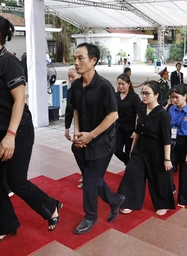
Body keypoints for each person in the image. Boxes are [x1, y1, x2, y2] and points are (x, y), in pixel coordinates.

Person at [0, 14, 61, 246]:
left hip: (17, 130)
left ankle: (51, 206)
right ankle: (6, 225)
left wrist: (10, 136)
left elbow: (19, 100)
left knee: (16, 182)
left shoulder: (9, 62)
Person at [69, 42, 125, 234]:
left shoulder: (104, 87)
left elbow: (113, 116)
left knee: (90, 179)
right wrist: (77, 132)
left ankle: (91, 216)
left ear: (93, 61)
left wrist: (91, 135)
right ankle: (115, 200)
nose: (76, 62)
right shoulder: (76, 85)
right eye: (74, 58)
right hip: (82, 141)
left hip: (102, 142)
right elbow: (76, 109)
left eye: (80, 58)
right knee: (93, 178)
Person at [118, 81, 175, 216]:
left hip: (157, 150)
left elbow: (167, 139)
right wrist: (132, 149)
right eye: (142, 93)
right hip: (140, 148)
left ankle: (163, 204)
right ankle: (129, 202)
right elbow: (137, 131)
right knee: (132, 173)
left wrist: (167, 159)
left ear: (156, 95)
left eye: (147, 93)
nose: (144, 96)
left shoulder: (163, 114)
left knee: (158, 178)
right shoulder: (142, 110)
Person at [168, 84, 187, 208]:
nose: (174, 100)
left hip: (186, 145)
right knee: (167, 168)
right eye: (172, 98)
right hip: (172, 143)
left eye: (176, 97)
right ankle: (170, 188)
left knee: (185, 175)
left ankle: (182, 200)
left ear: (185, 96)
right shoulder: (171, 109)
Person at [115, 74, 143, 165]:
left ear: (129, 84)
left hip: (130, 130)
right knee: (116, 150)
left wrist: (135, 131)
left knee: (129, 152)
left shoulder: (134, 97)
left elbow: (138, 115)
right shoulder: (115, 96)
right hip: (118, 128)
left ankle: (130, 168)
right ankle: (128, 163)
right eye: (119, 84)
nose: (121, 86)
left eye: (123, 84)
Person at [64, 66, 82, 188]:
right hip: (78, 125)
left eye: (73, 76)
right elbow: (69, 109)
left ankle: (87, 175)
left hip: (90, 125)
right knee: (76, 148)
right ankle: (85, 173)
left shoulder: (86, 89)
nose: (70, 79)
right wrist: (66, 128)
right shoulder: (70, 91)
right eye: (69, 77)